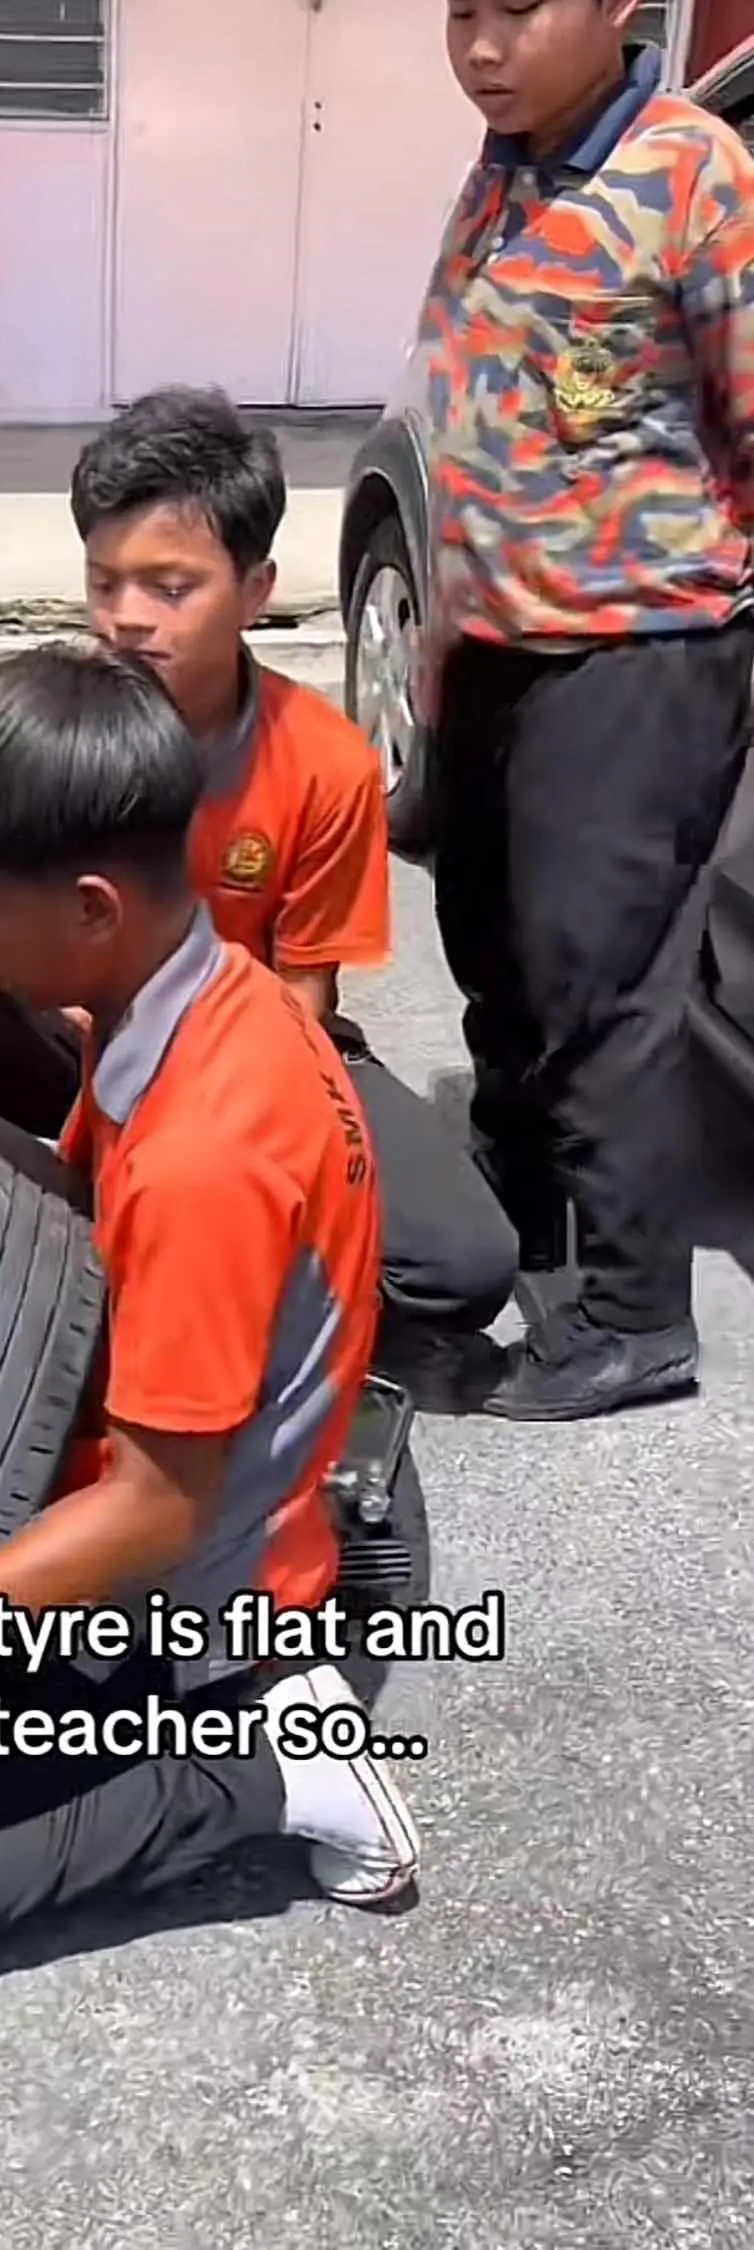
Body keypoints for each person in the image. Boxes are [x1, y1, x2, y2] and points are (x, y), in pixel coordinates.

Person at [0, 641, 420, 1979]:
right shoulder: (183, 983)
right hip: (198, 1449)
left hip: (191, 1595)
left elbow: (154, 1517)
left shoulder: (205, 1154)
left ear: (95, 905)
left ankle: (264, 1761)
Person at [0, 386, 519, 1372]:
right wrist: (84, 1014)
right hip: (60, 1016)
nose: (127, 618)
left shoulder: (325, 762)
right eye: (104, 583)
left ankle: (186, 1254)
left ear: (256, 590)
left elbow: (304, 996)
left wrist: (192, 1098)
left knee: (461, 1265)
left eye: (170, 588)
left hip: (247, 1046)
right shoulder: (36, 727)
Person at [418, 1, 754, 1419]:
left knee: (600, 984)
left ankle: (631, 1316)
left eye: (516, 9)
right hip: (498, 644)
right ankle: (528, 1229)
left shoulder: (692, 172)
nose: (480, 47)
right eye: (460, 14)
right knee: (493, 944)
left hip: (635, 650)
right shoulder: (512, 163)